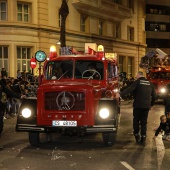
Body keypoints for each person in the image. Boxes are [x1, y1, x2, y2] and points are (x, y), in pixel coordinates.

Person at [117, 71, 156, 145]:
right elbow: (154, 96)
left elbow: (130, 89)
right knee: (144, 122)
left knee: (136, 120)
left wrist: (120, 94)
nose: (135, 77)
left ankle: (136, 134)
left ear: (139, 75)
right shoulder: (150, 83)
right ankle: (143, 138)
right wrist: (151, 104)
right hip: (146, 106)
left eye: (136, 76)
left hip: (138, 105)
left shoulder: (137, 82)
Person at [0, 77, 26, 150]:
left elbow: (8, 91)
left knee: (0, 126)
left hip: (0, 107)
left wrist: (19, 96)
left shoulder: (1, 83)